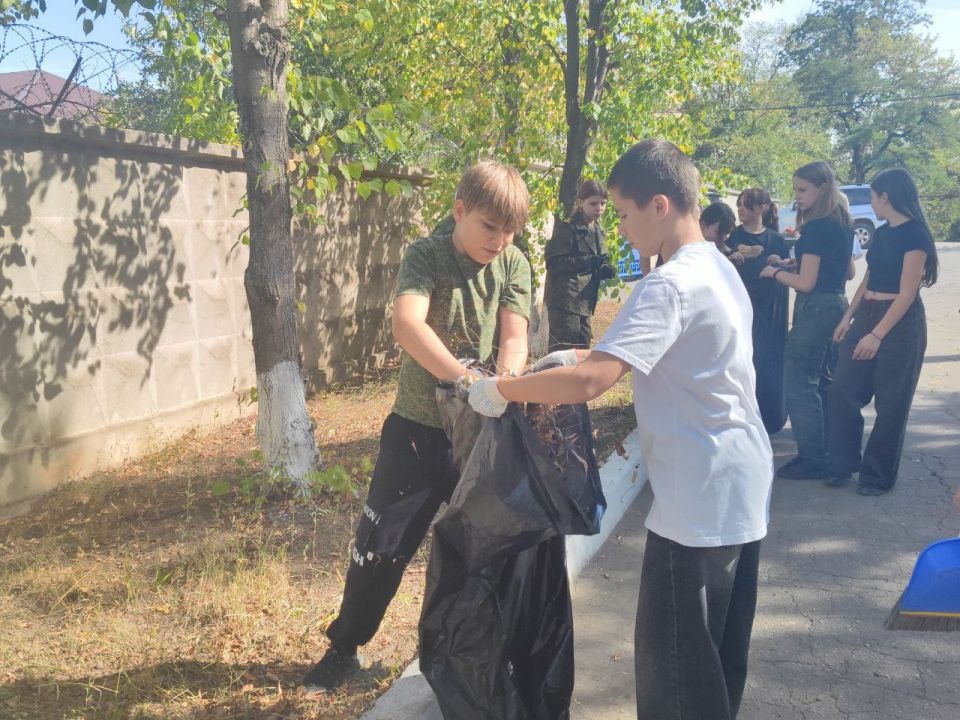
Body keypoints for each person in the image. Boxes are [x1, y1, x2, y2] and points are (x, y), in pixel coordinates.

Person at [467, 140, 773, 720]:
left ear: (659, 205)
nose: (622, 230)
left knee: (677, 675)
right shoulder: (716, 266)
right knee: (717, 663)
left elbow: (591, 383)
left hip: (698, 502)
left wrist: (499, 390)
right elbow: (635, 352)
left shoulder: (669, 283)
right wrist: (571, 352)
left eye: (626, 215)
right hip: (742, 485)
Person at [302, 160, 532, 692]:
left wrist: (503, 384)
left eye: (509, 230)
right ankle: (345, 647)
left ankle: (468, 653)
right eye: (489, 227)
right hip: (417, 430)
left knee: (481, 549)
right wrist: (464, 382)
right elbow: (408, 325)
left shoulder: (515, 263)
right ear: (459, 211)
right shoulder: (427, 255)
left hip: (481, 435)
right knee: (380, 543)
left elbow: (515, 337)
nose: (499, 240)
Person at [825, 168, 938, 495]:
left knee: (891, 404)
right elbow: (868, 280)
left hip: (900, 324)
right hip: (868, 314)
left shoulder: (916, 235)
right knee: (842, 390)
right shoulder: (884, 232)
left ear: (884, 196)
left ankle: (877, 476)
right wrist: (849, 317)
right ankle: (843, 463)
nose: (871, 204)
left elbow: (907, 293)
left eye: (873, 196)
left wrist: (877, 335)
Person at [760, 161, 853, 480]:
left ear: (822, 189)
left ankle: (812, 457)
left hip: (817, 307)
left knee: (799, 381)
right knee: (820, 379)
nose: (796, 196)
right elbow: (847, 271)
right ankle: (828, 450)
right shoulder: (841, 220)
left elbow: (807, 284)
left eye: (802, 190)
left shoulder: (815, 227)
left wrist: (777, 272)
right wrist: (795, 262)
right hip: (836, 305)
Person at [726, 189, 790, 434]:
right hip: (741, 313)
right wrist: (732, 256)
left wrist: (780, 263)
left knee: (769, 365)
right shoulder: (732, 237)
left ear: (762, 208)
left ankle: (771, 419)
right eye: (739, 205)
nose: (740, 210)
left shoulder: (777, 240)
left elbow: (789, 275)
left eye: (746, 205)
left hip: (770, 314)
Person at [544, 180, 617, 351]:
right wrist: (586, 262)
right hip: (565, 304)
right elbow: (553, 263)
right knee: (563, 356)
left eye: (603, 203)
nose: (599, 208)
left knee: (582, 352)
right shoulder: (567, 228)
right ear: (580, 203)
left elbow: (601, 259)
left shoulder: (598, 230)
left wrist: (605, 269)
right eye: (593, 203)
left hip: (584, 304)